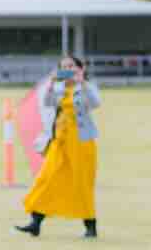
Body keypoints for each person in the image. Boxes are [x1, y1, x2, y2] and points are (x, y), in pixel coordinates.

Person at [15, 55, 102, 239]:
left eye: (71, 66)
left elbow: (95, 103)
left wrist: (82, 83)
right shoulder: (58, 87)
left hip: (82, 142)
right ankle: (35, 222)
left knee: (81, 183)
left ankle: (90, 226)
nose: (68, 69)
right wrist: (52, 83)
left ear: (80, 68)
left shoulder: (86, 86)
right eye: (64, 67)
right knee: (47, 178)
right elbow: (47, 102)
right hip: (60, 140)